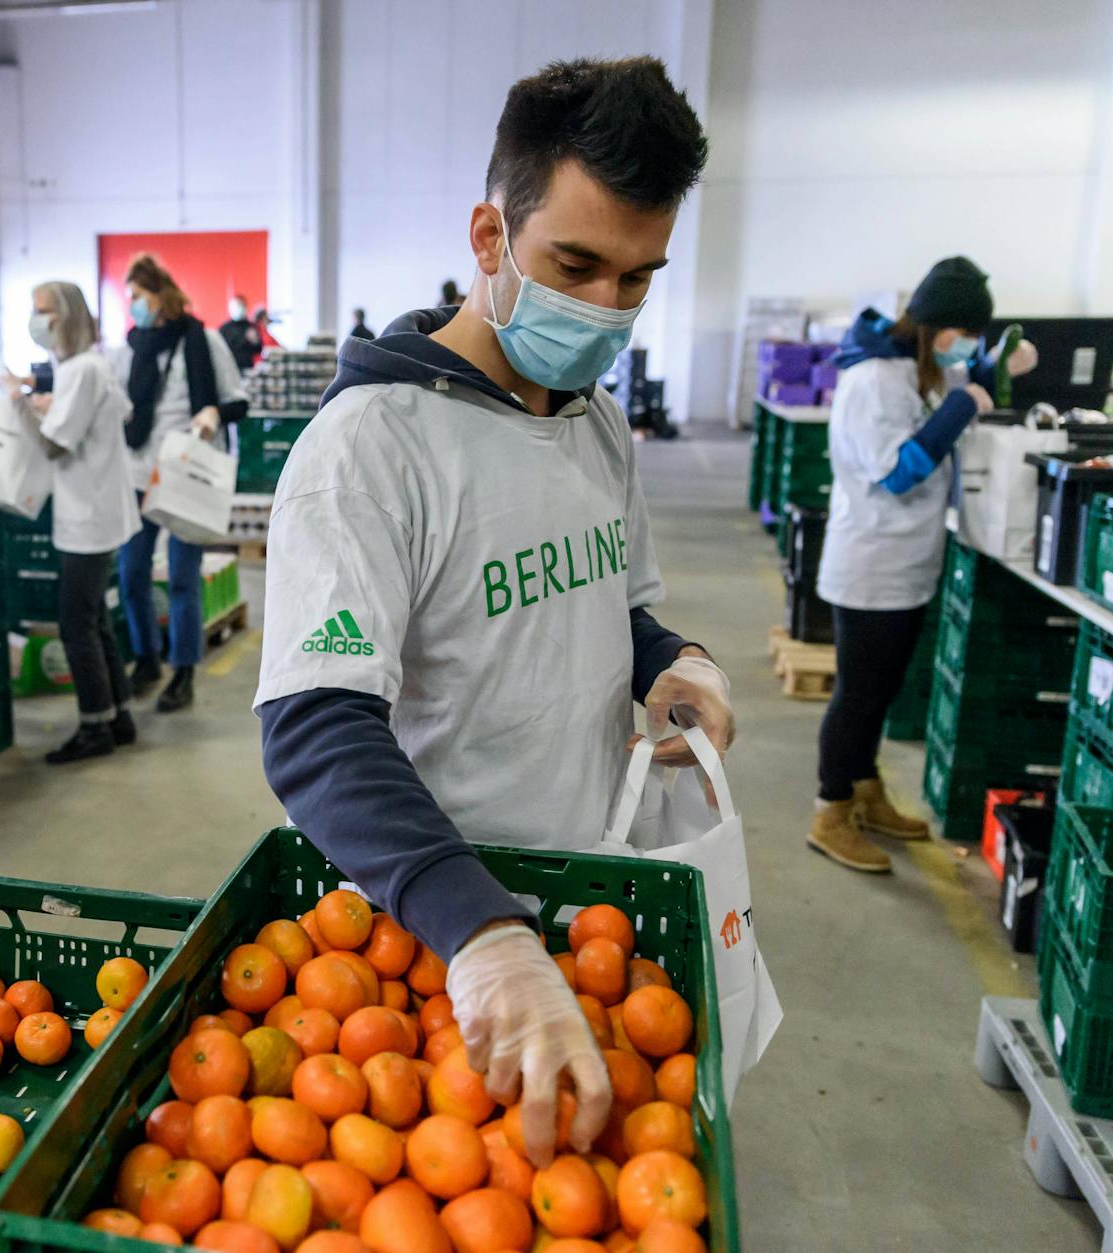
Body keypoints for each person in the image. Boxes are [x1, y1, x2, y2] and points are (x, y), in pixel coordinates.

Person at [254, 57, 731, 1166]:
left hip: (577, 904)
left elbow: (615, 604)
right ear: (487, 236)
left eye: (635, 278)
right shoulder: (371, 447)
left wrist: (674, 659)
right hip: (419, 934)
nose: (603, 307)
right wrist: (478, 932)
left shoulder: (593, 423)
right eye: (574, 264)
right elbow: (315, 730)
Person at [811, 258, 1037, 872]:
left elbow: (960, 386)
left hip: (907, 563)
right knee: (858, 695)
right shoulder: (875, 380)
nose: (964, 347)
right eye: (962, 333)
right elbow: (899, 470)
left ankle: (865, 788)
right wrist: (965, 403)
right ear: (935, 324)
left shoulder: (920, 368)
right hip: (870, 564)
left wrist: (995, 368)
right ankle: (830, 810)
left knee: (882, 691)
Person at [0, 283, 141, 763]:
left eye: (43, 312)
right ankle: (118, 716)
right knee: (95, 621)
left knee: (76, 625)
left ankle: (95, 726)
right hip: (103, 509)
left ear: (66, 316)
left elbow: (56, 445)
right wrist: (43, 402)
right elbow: (111, 415)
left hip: (88, 515)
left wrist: (17, 400)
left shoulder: (79, 370)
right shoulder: (92, 367)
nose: (37, 321)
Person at [118, 253, 248, 712]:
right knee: (131, 574)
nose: (132, 305)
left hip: (185, 474)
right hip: (138, 474)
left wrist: (215, 412)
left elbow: (238, 400)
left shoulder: (202, 339)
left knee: (181, 578)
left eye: (138, 296)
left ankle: (184, 671)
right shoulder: (131, 347)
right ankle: (147, 658)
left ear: (160, 293)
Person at [218, 295, 264, 373]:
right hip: (229, 369)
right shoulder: (224, 329)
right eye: (237, 305)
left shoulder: (252, 327)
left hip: (247, 368)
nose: (239, 308)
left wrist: (255, 341)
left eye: (241, 305)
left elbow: (259, 350)